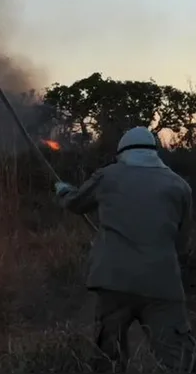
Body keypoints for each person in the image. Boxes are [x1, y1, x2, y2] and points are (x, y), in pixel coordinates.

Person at [55, 126, 195, 372]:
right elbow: (182, 244)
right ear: (155, 151)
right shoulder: (180, 186)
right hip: (162, 285)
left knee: (109, 357)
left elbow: (76, 203)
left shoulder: (108, 176)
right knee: (179, 358)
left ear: (122, 152)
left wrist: (63, 191)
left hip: (113, 282)